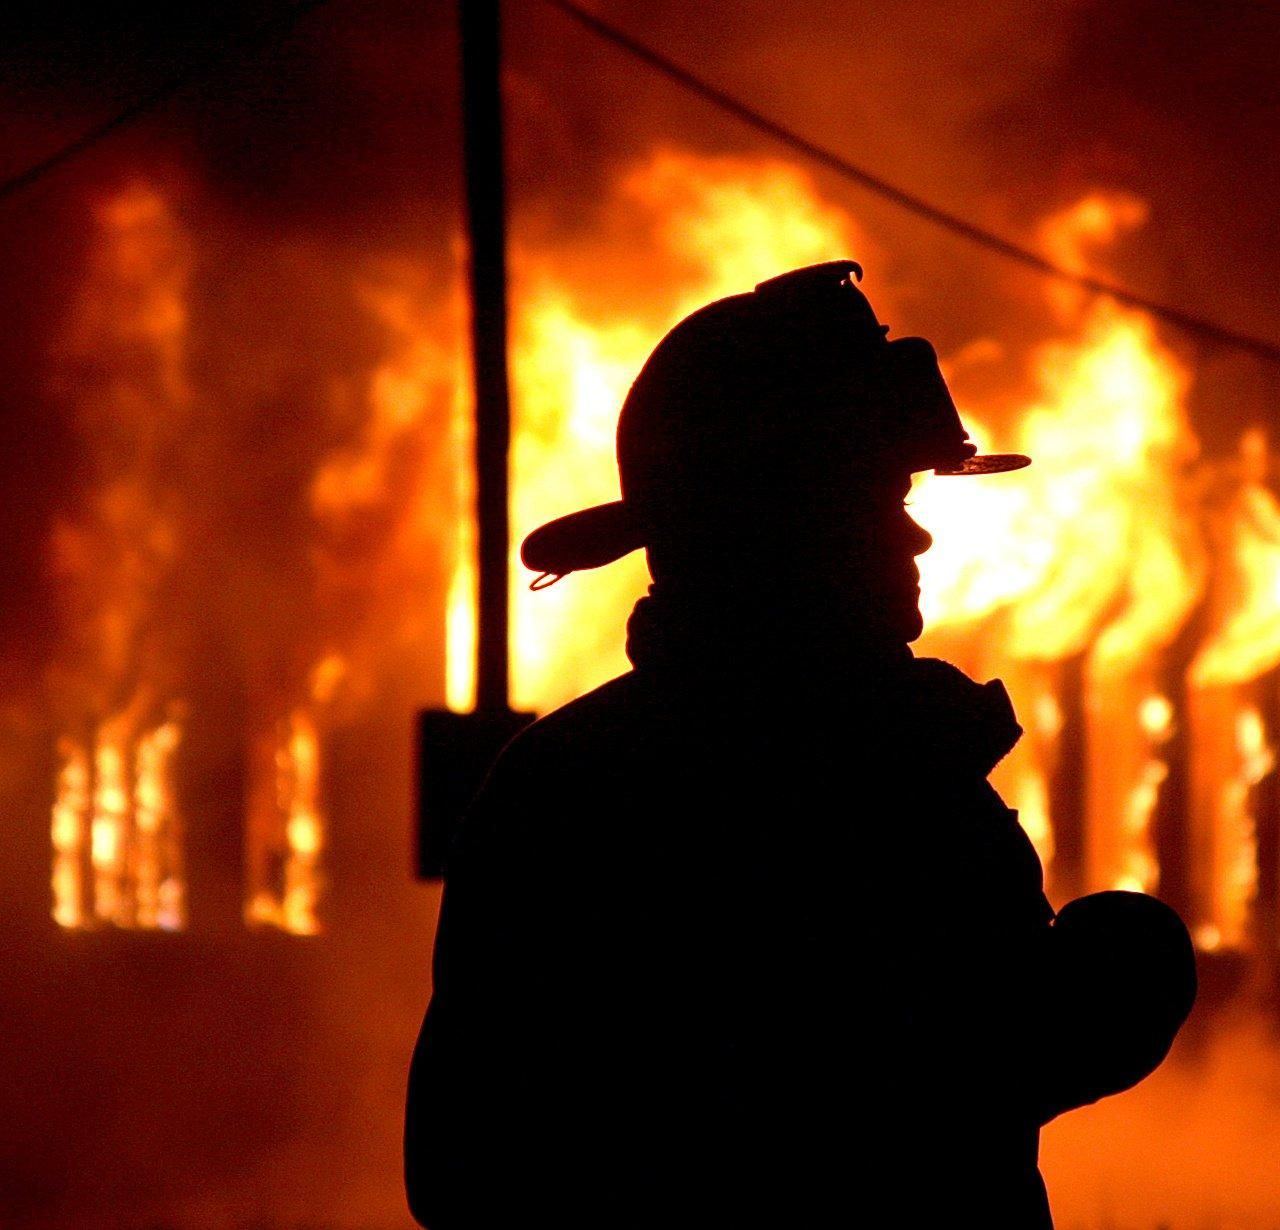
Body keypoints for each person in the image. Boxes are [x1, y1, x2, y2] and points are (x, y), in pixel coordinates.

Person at [404, 261, 1197, 1228]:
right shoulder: (873, 787)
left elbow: (457, 1161)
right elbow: (929, 1071)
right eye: (876, 500)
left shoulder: (565, 779)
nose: (916, 542)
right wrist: (1106, 981)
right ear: (772, 527)